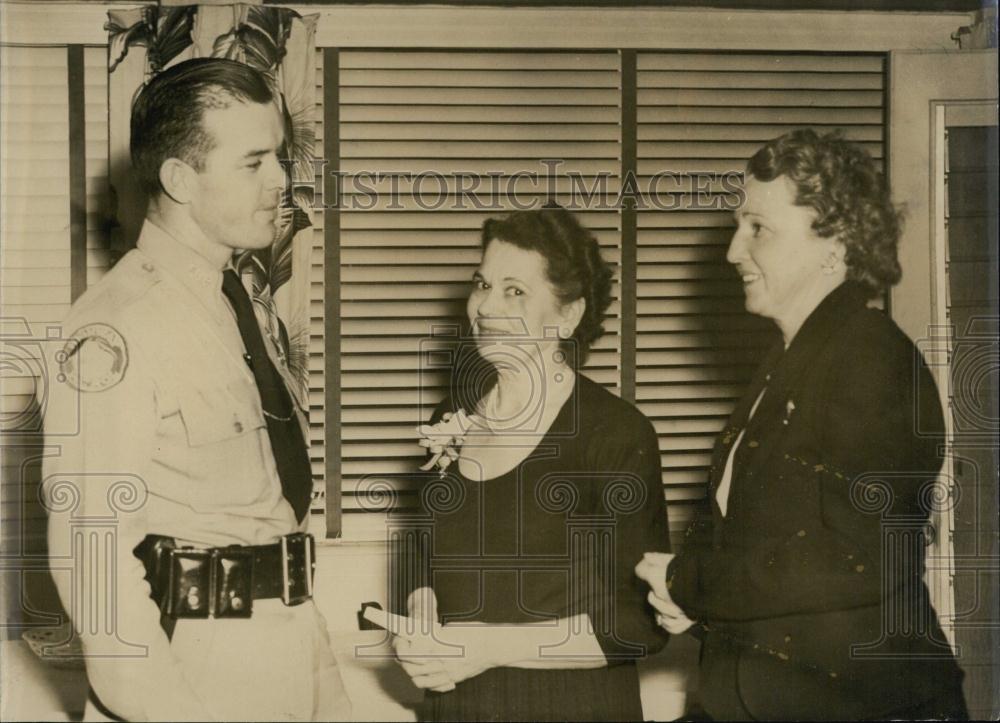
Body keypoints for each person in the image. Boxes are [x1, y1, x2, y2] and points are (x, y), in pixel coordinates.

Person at [41, 58, 350, 721]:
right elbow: (94, 564)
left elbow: (267, 513)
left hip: (289, 642)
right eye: (254, 162)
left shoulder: (238, 301)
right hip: (192, 669)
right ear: (181, 178)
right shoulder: (114, 326)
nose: (281, 181)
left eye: (281, 157)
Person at [635, 129, 968, 721]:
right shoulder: (791, 362)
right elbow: (766, 546)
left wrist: (694, 584)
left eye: (757, 228)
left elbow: (857, 558)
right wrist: (699, 604)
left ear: (832, 242)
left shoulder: (868, 356)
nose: (734, 250)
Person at [390, 206, 670, 721]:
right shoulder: (449, 419)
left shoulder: (615, 433)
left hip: (568, 708)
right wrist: (420, 604)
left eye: (514, 291)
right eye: (482, 284)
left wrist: (486, 648)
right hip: (457, 706)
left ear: (568, 315)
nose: (485, 308)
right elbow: (422, 554)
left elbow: (637, 625)